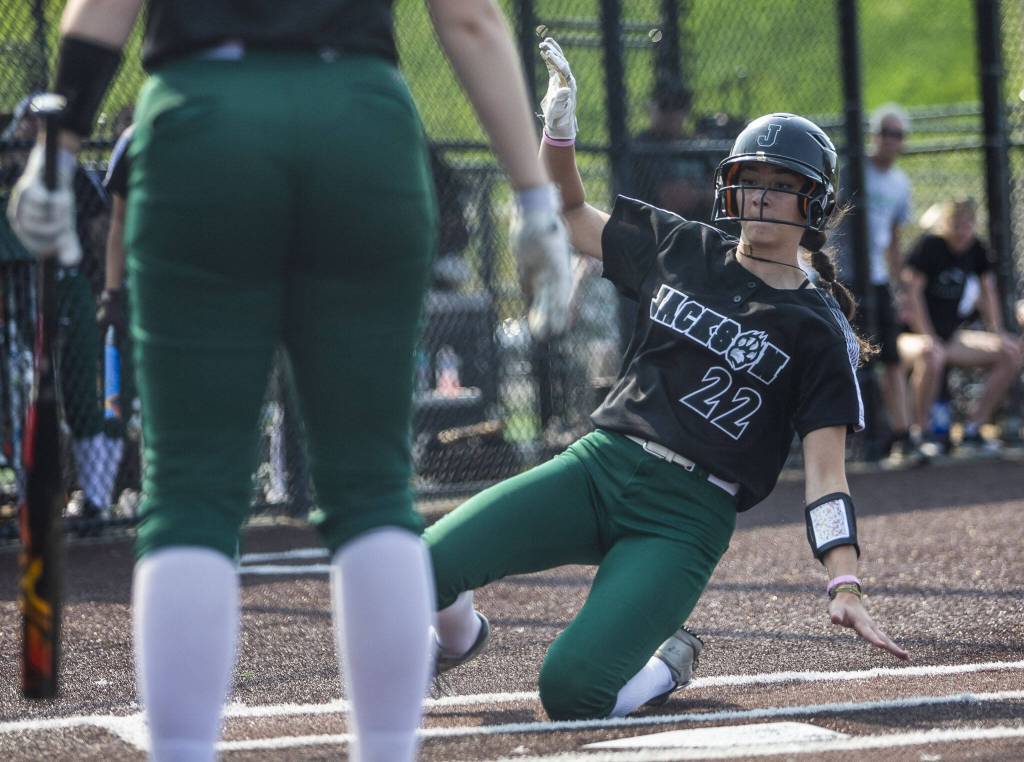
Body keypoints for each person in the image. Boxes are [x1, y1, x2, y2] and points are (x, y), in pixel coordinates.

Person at [6, 2, 571, 761]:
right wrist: (535, 197)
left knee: (189, 494)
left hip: (201, 125)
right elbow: (468, 18)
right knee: (373, 490)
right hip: (359, 125)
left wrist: (56, 152)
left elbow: (100, 13)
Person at [424, 38, 909, 723]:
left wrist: (845, 581)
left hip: (684, 517)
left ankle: (665, 664)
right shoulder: (685, 245)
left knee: (572, 693)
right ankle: (457, 638)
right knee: (417, 570)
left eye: (783, 184)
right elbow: (568, 214)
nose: (763, 196)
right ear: (729, 182)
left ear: (816, 205)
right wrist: (557, 135)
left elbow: (828, 476)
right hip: (599, 466)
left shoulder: (818, 328)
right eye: (753, 178)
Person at [898, 198, 1023, 452]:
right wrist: (928, 335)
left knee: (1011, 352)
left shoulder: (976, 248)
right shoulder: (929, 246)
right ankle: (920, 434)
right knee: (931, 354)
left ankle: (972, 429)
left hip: (950, 337)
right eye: (956, 224)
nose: (962, 231)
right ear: (945, 224)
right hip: (911, 337)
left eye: (967, 224)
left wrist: (997, 331)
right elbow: (912, 294)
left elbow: (988, 290)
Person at [842, 104, 918, 465]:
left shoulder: (900, 182)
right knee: (852, 358)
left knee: (891, 359)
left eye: (897, 135)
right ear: (875, 136)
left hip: (876, 277)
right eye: (885, 132)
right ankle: (858, 435)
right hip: (845, 277)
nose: (891, 140)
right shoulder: (854, 172)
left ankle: (902, 435)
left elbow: (894, 237)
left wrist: (897, 281)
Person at [631, 74, 716, 223]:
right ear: (650, 107)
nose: (672, 113)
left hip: (702, 227)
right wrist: (704, 194)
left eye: (679, 105)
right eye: (664, 105)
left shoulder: (696, 146)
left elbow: (722, 194)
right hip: (659, 229)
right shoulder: (643, 146)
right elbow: (673, 199)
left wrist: (694, 194)